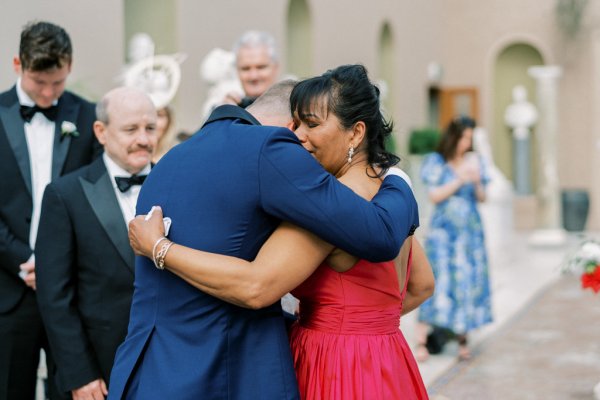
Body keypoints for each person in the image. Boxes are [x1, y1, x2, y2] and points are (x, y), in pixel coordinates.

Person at [127, 65, 431, 399]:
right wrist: (366, 325)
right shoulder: (384, 189)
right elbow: (421, 285)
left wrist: (159, 247)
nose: (297, 136)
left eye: (310, 124)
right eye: (297, 124)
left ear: (356, 133)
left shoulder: (326, 206)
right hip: (387, 359)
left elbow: (256, 286)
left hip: (335, 364)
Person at [0, 21, 101, 400]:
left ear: (69, 66)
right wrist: (21, 259)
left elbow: (94, 200)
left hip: (72, 291)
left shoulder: (88, 116)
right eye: (37, 82)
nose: (47, 93)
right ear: (17, 64)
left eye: (56, 83)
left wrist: (57, 263)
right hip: (9, 289)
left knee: (71, 389)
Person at [35, 87, 157, 400]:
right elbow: (54, 296)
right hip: (100, 367)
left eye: (150, 128)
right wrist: (81, 374)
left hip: (170, 362)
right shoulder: (65, 195)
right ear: (100, 132)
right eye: (131, 129)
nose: (143, 139)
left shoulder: (180, 184)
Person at [416, 115, 493, 362]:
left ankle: (463, 338)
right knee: (435, 281)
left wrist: (477, 180)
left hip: (469, 235)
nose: (467, 143)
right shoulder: (437, 162)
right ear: (454, 137)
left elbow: (482, 198)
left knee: (466, 282)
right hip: (443, 235)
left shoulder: (475, 161)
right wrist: (461, 178)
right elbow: (435, 196)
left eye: (470, 139)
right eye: (465, 138)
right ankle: (421, 340)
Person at [221, 30, 280, 108]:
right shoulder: (227, 109)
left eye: (261, 67)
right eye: (245, 69)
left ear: (275, 68)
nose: (253, 76)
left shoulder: (294, 109)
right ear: (236, 71)